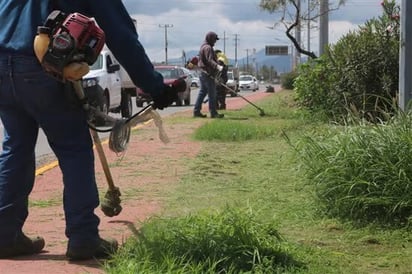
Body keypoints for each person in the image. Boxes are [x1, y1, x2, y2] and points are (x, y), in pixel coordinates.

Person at [0, 1, 181, 260]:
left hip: (3, 66)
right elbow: (121, 35)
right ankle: (83, 237)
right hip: (42, 67)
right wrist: (155, 87)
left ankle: (5, 234)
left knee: (16, 146)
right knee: (74, 149)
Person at [193, 31, 224, 119]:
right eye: (214, 39)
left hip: (202, 73)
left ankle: (196, 111)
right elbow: (209, 60)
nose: (215, 42)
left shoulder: (203, 46)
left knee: (202, 92)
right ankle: (213, 113)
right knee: (212, 94)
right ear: (210, 39)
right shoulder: (208, 48)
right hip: (207, 74)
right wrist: (217, 66)